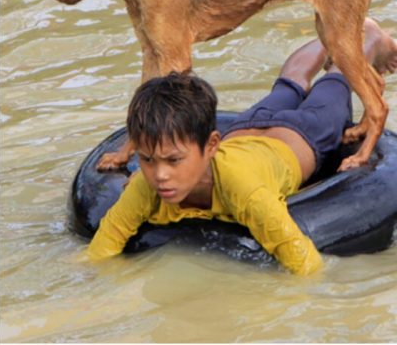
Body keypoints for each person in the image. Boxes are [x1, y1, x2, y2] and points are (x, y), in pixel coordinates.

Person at [87, 19, 397, 275]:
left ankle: (363, 36)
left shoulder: (246, 192)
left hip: (304, 135)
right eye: (147, 159)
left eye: (173, 160)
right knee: (290, 81)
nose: (160, 175)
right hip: (248, 127)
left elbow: (305, 264)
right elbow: (105, 244)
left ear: (210, 146)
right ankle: (339, 32)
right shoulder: (145, 185)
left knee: (334, 78)